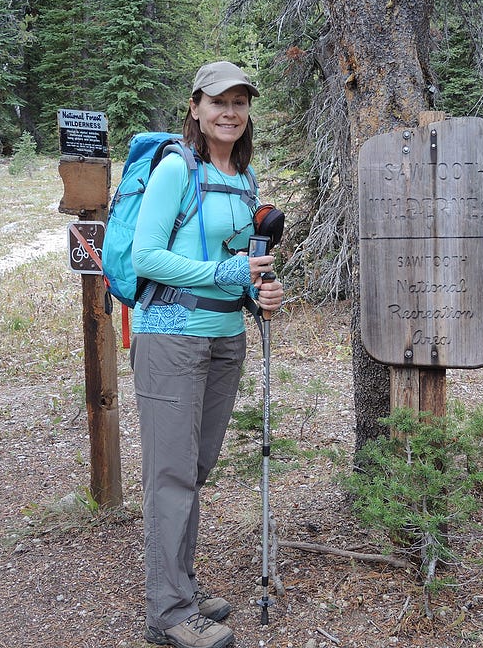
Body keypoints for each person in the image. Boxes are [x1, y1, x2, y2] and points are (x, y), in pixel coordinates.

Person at [130, 60, 284, 648]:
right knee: (171, 474)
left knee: (194, 468)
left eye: (241, 103)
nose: (231, 113)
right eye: (219, 101)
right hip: (171, 335)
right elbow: (147, 257)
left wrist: (259, 291)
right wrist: (223, 271)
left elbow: (238, 265)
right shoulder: (177, 169)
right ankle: (167, 614)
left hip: (225, 337)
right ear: (195, 107)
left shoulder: (243, 180)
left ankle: (182, 587)